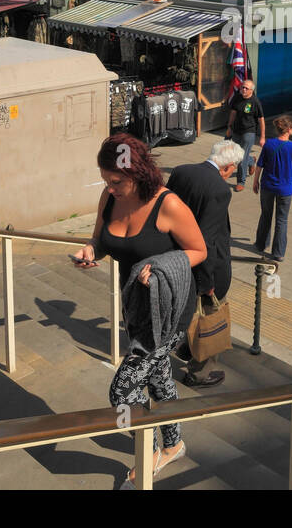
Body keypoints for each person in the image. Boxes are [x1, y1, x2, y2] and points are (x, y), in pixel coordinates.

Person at [71, 134, 207, 487]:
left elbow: (199, 250)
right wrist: (90, 251)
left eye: (116, 181)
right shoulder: (109, 199)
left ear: (138, 172)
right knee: (159, 377)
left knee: (122, 392)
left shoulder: (169, 205)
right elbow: (100, 240)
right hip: (134, 306)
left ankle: (147, 452)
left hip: (170, 314)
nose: (110, 187)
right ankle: (173, 444)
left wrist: (161, 266)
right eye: (105, 181)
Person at [166, 139, 242, 387]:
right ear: (228, 167)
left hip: (178, 258)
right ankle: (199, 373)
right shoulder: (220, 190)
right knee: (208, 317)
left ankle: (184, 346)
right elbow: (207, 240)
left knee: (185, 309)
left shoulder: (181, 171)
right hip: (206, 267)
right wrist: (207, 281)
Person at [252, 114, 292, 262]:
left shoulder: (269, 145)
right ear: (289, 129)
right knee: (281, 220)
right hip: (285, 190)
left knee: (266, 215)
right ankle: (278, 253)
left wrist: (255, 181)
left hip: (267, 186)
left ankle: (261, 244)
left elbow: (259, 165)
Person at [224, 79, 265, 192]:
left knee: (241, 157)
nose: (243, 89)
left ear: (251, 90)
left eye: (246, 88)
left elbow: (261, 120)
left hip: (249, 132)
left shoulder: (255, 102)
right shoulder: (238, 97)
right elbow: (233, 113)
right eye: (242, 87)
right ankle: (251, 161)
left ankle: (240, 182)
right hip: (236, 130)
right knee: (236, 154)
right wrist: (229, 127)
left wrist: (262, 137)